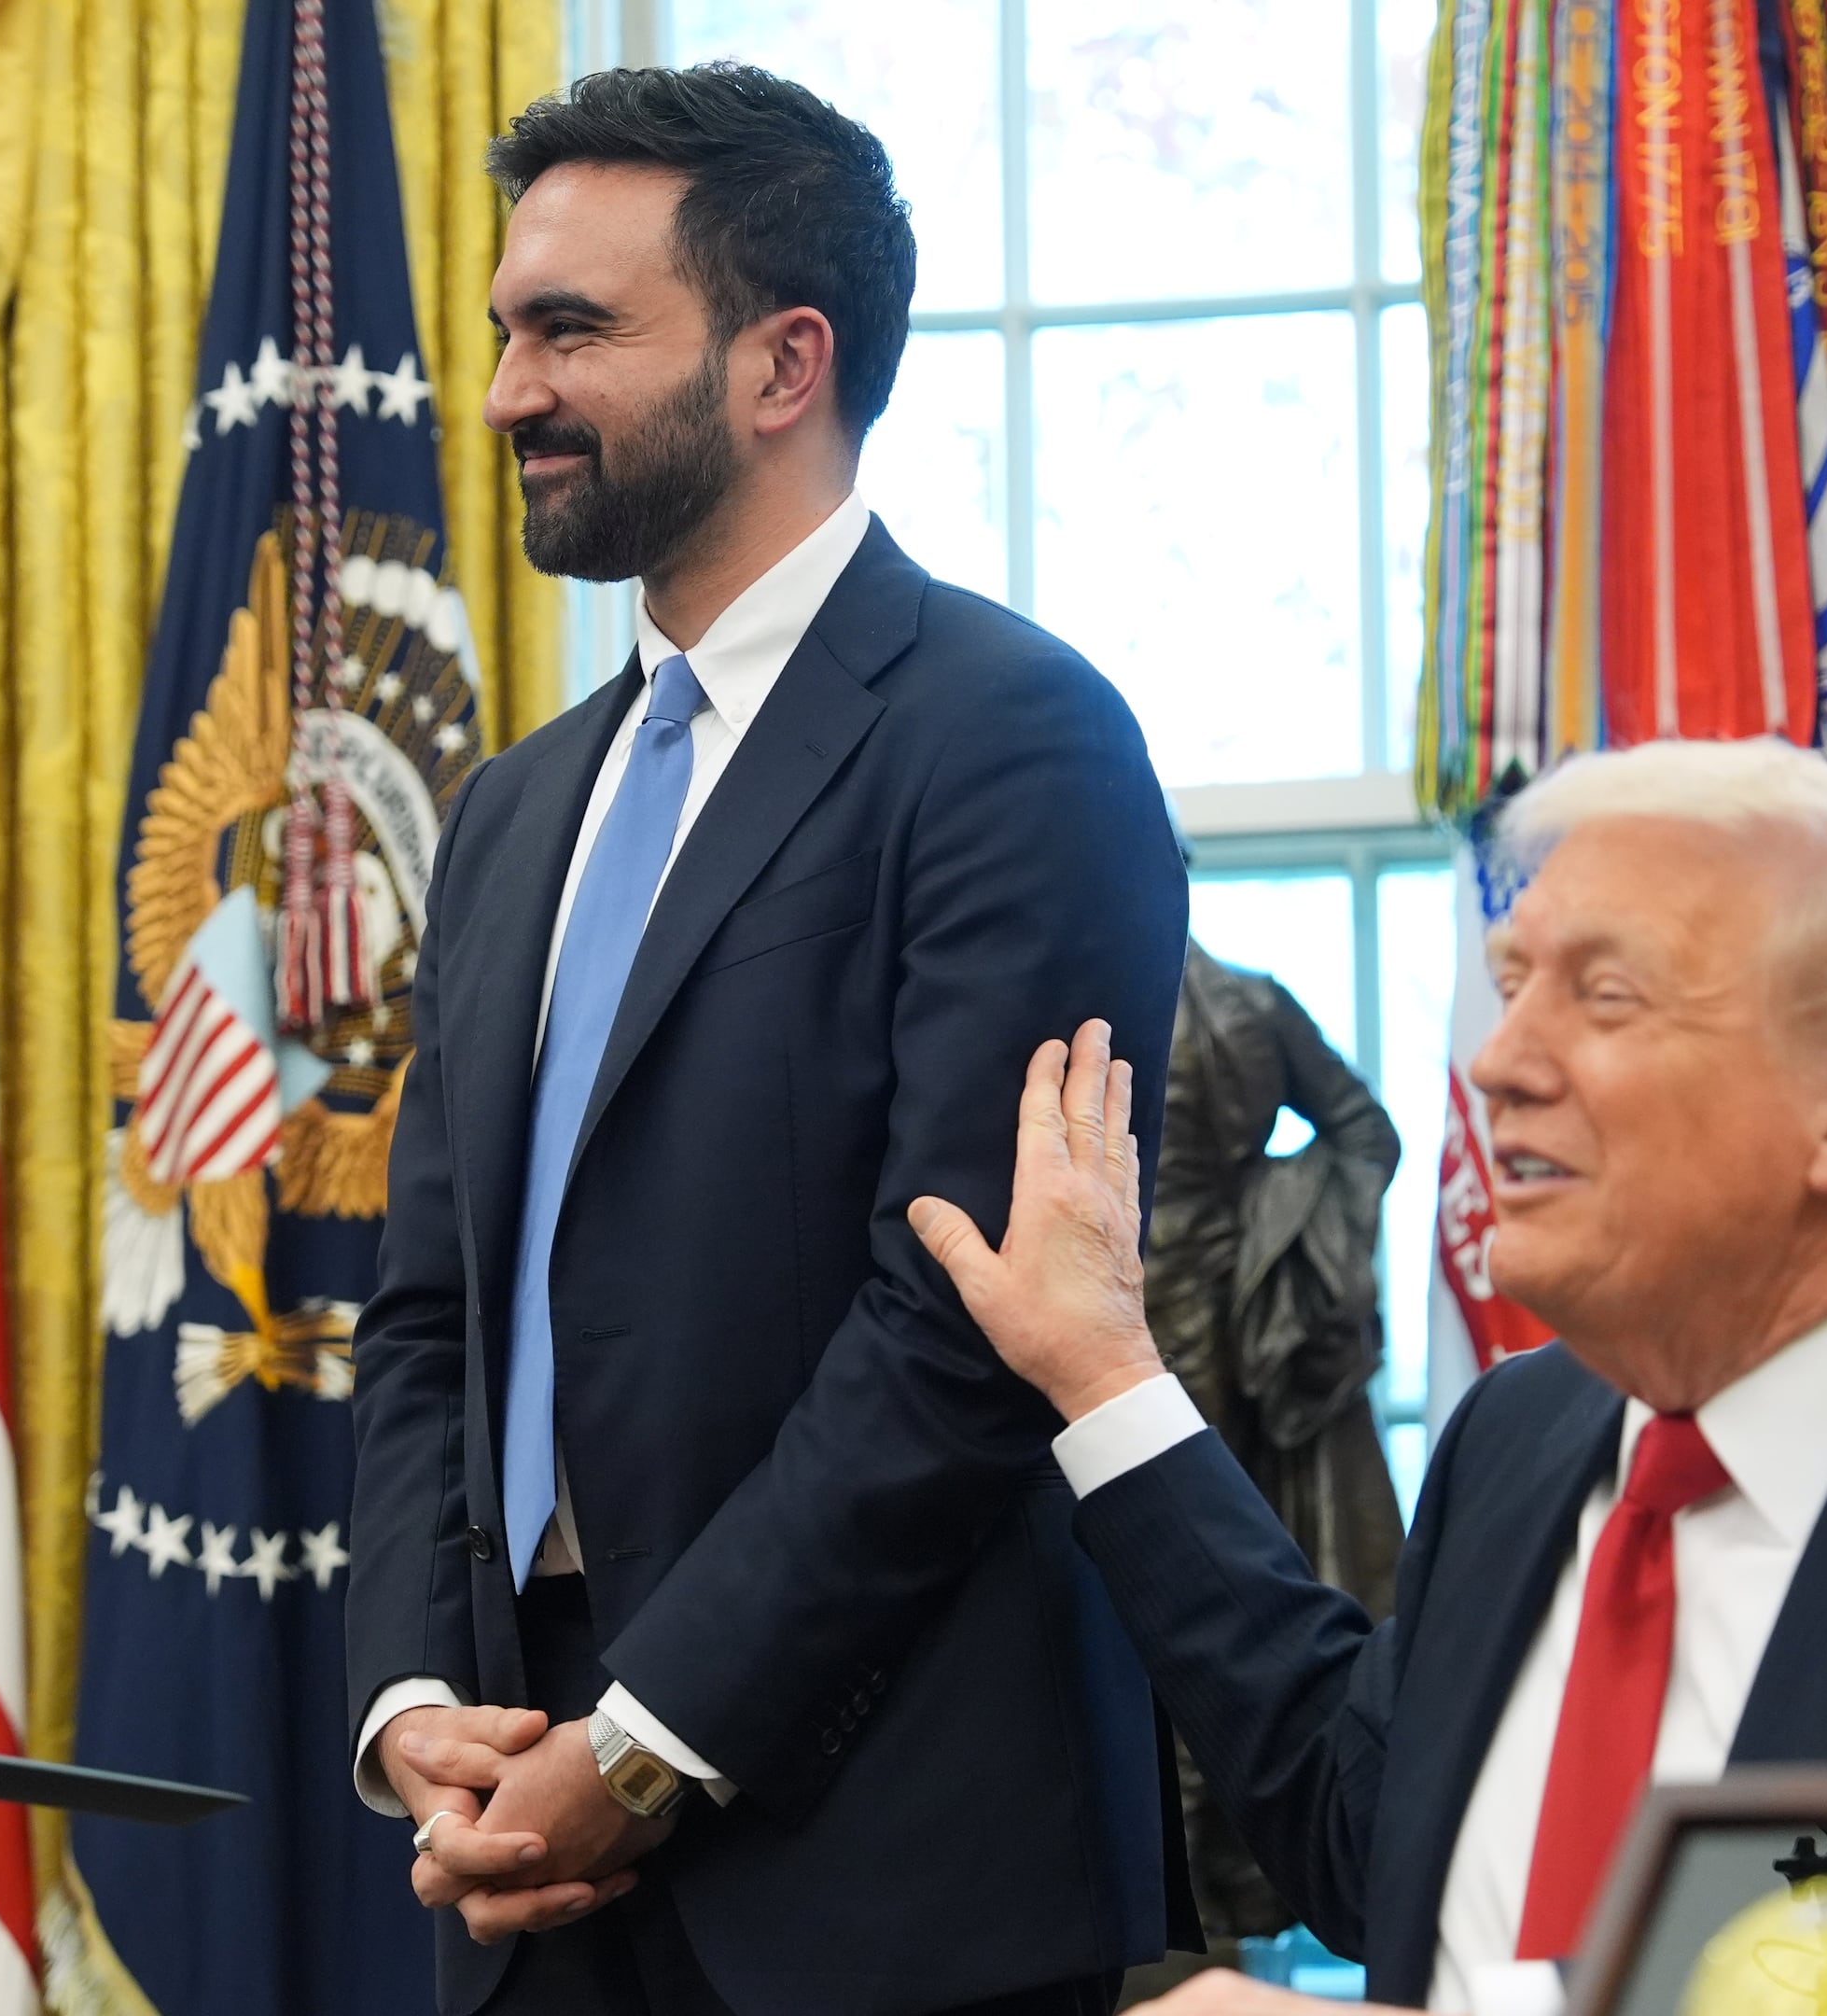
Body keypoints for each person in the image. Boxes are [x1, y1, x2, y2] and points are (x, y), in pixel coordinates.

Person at [912, 738, 1827, 2016]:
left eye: (1605, 997)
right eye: (1512, 985)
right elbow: (1372, 1831)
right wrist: (1105, 1369)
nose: (1500, 1061)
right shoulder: (1528, 1430)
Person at [338, 63, 1192, 2016]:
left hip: (880, 1875)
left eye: (573, 332)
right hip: (517, 1866)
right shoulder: (514, 810)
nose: (506, 395)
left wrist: (639, 1748)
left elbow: (961, 1326)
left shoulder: (1008, 738)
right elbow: (425, 1321)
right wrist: (418, 1710)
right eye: (502, 333)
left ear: (781, 362)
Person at [1143, 942, 1404, 1956]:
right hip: (1110, 1318)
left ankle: (1216, 1912)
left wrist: (1284, 1237)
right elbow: (1364, 1135)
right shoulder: (1224, 999)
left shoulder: (1245, 1002)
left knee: (1220, 1602)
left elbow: (1360, 1132)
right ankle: (1178, 1912)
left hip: (1241, 1339)